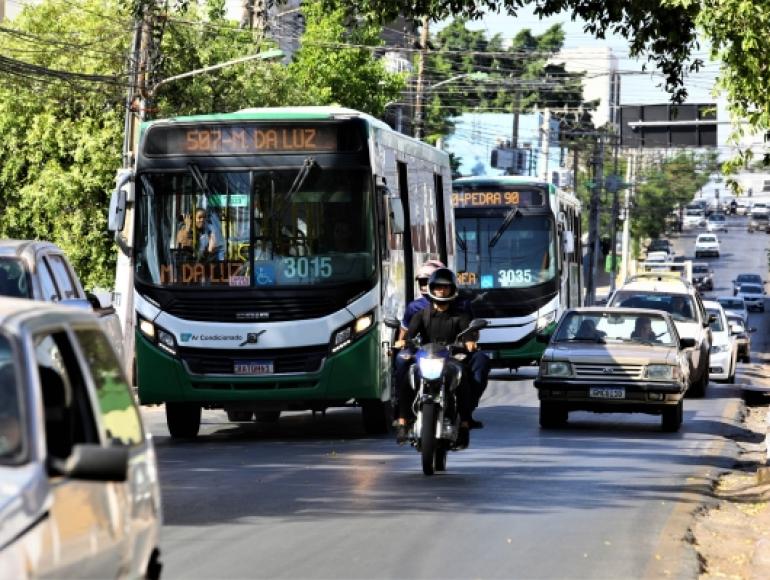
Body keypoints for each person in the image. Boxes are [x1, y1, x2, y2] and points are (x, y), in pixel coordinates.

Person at [394, 267, 484, 449]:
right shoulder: (421, 315)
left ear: (452, 289)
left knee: (462, 378)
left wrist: (469, 342)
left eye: (445, 287)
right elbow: (409, 335)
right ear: (431, 289)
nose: (441, 290)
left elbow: (468, 334)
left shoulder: (460, 316)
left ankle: (464, 423)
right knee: (407, 377)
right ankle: (403, 421)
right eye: (437, 287)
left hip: (450, 358)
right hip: (425, 357)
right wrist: (403, 342)